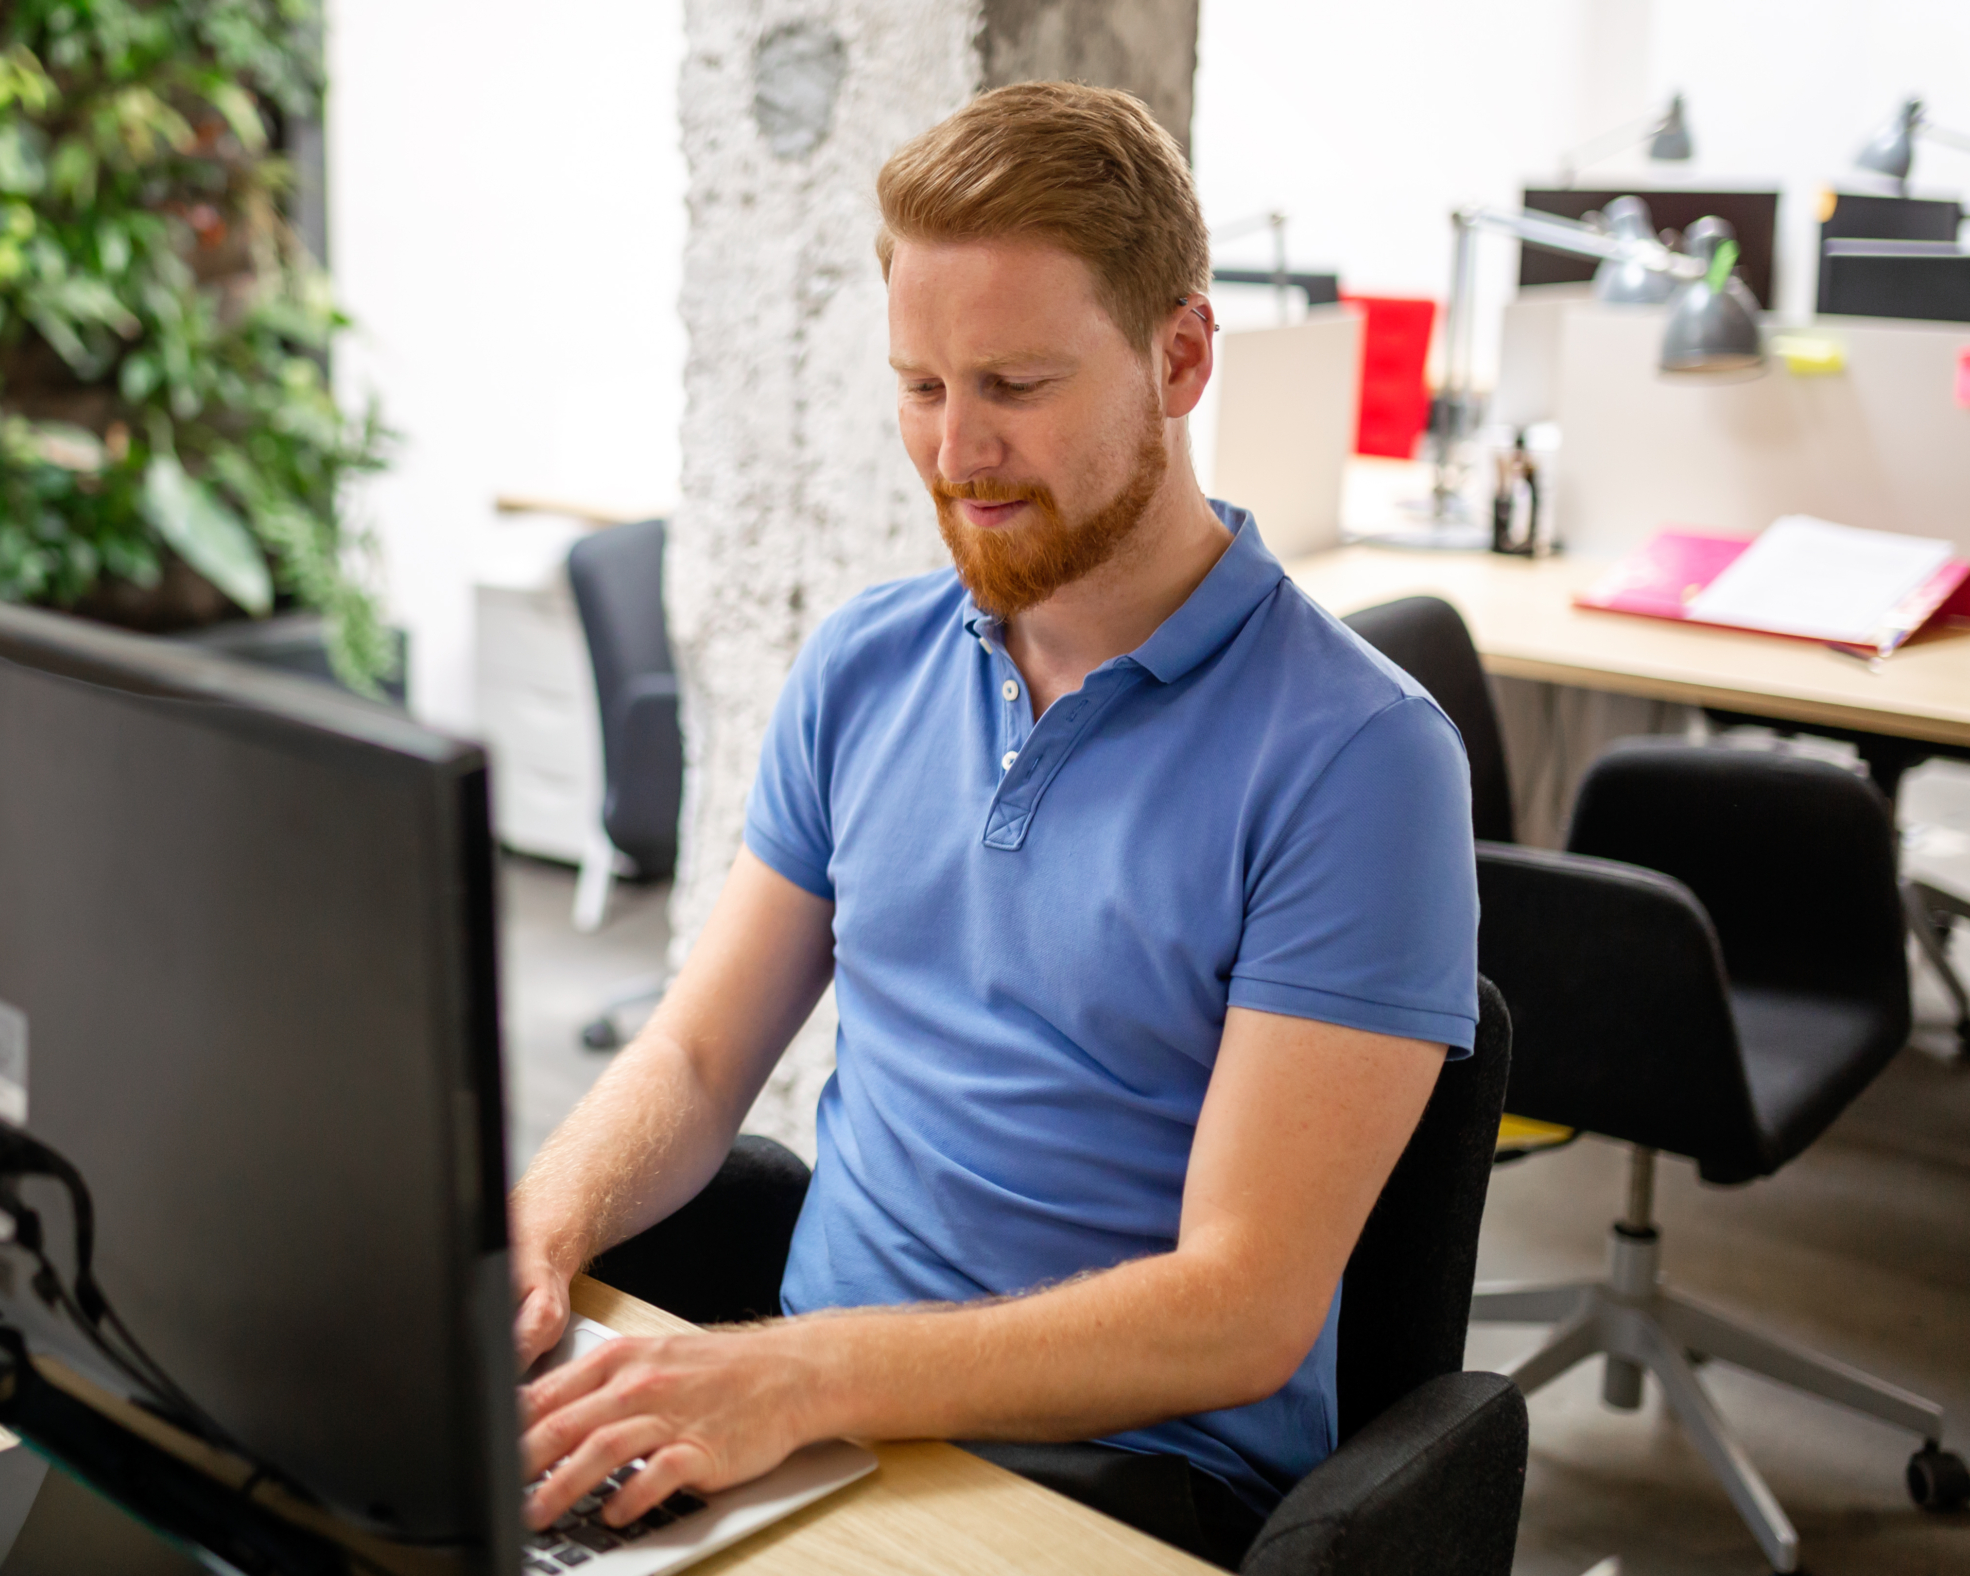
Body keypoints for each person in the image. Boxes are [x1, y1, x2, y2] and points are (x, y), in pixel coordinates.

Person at [509, 80, 1478, 1565]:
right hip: (810, 1430)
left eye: (1016, 388)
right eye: (922, 386)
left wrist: (795, 1373)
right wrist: (546, 1222)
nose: (956, 454)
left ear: (1182, 355)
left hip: (1112, 1485)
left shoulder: (1360, 759)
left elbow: (1241, 1308)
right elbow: (700, 1057)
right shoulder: (864, 665)